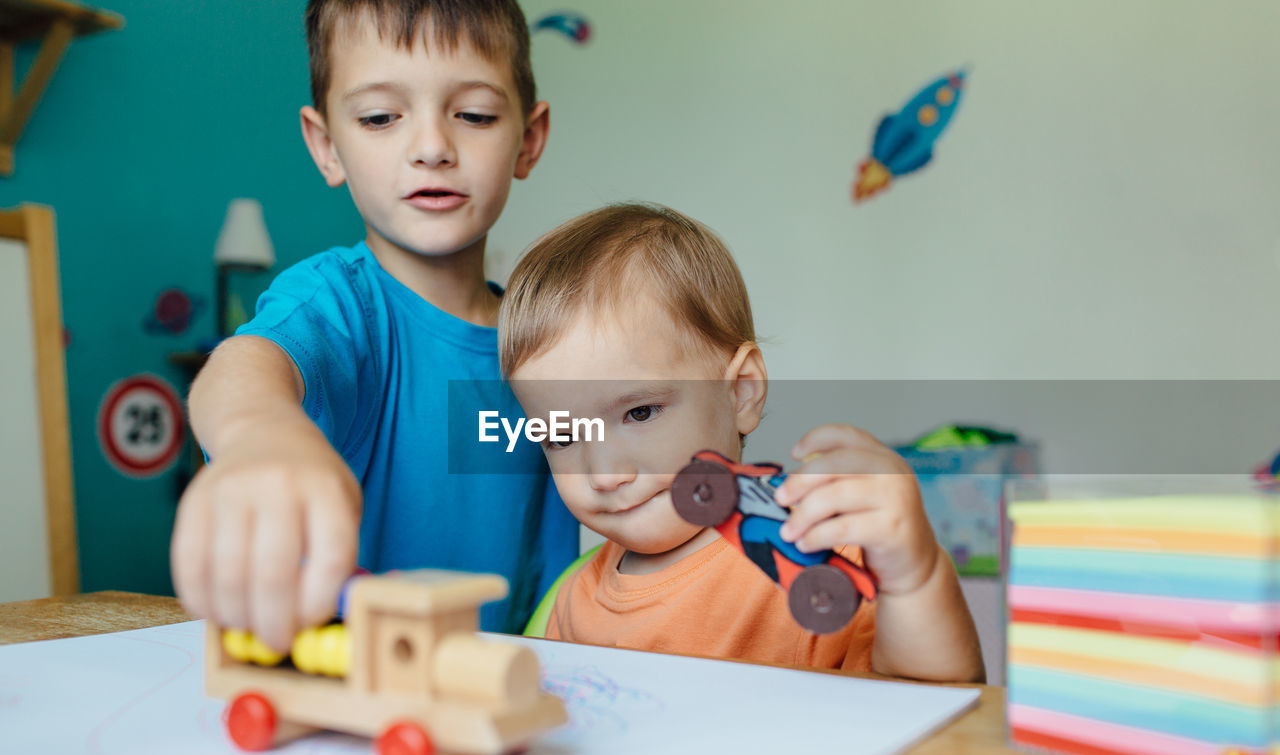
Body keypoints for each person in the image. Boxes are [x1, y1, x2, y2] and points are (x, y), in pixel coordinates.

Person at [170, 0, 578, 652]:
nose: (432, 148)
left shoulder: (559, 343)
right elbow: (245, 367)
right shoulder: (340, 304)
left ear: (528, 139)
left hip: (524, 700)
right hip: (354, 703)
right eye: (381, 118)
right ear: (327, 146)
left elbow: (663, 444)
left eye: (473, 114)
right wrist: (259, 433)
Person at [499, 203, 984, 681]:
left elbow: (937, 708)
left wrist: (912, 579)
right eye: (562, 435)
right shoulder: (573, 605)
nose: (604, 474)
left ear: (740, 392)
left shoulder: (816, 549)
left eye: (640, 412)